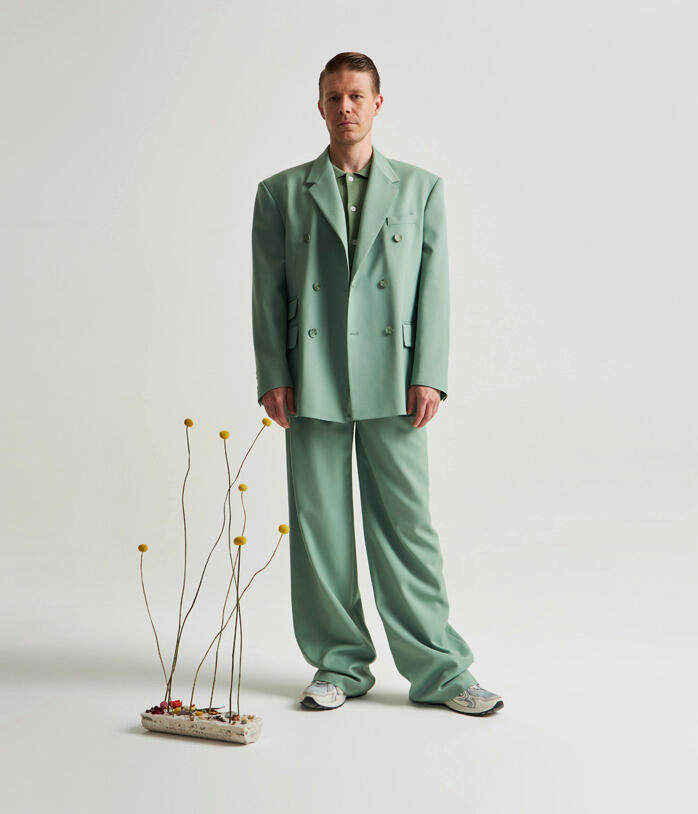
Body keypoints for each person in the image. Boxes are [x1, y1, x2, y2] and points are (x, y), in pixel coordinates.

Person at [251, 52, 503, 716]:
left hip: (396, 375)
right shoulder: (280, 192)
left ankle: (442, 672)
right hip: (311, 372)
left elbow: (434, 290)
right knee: (319, 523)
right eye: (334, 97)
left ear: (377, 103)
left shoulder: (421, 188)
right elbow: (267, 292)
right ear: (320, 106)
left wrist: (431, 375)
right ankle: (339, 664)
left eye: (356, 95)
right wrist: (274, 374)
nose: (345, 107)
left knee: (407, 522)